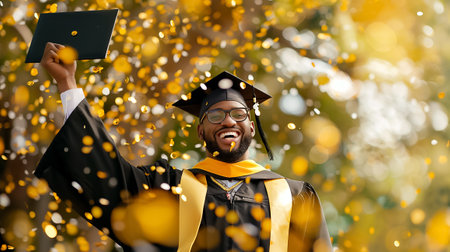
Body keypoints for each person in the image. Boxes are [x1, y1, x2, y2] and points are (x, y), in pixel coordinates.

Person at [35, 42, 332, 251]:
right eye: (215, 115)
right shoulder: (166, 188)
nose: (228, 121)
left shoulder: (294, 196)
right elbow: (105, 173)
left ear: (251, 127)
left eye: (238, 114)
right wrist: (68, 84)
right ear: (201, 130)